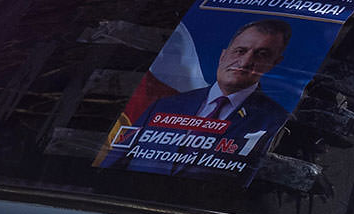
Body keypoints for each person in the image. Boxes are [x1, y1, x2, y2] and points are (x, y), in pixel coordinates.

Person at [122, 19, 294, 175]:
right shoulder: (163, 106)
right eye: (240, 51)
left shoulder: (277, 122)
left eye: (261, 54)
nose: (245, 62)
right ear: (223, 56)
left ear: (274, 63)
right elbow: (117, 161)